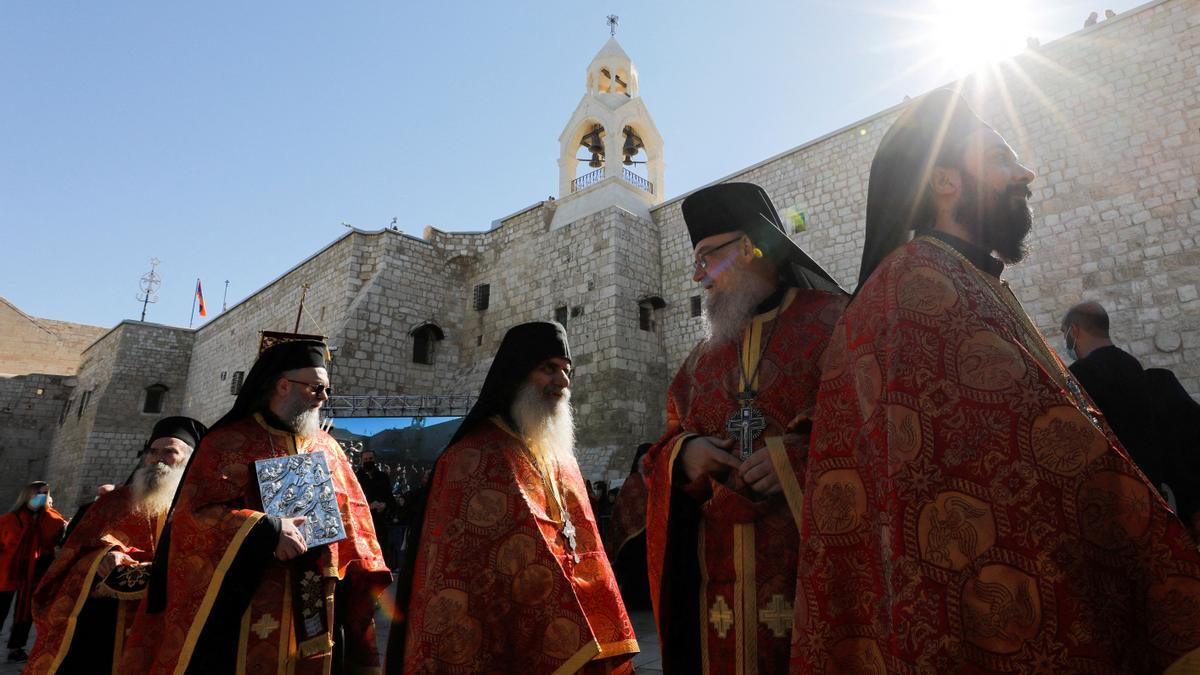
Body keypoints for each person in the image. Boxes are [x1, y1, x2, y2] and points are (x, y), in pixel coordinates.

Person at [793, 88, 1200, 672]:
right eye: (1001, 159)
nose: (1026, 172)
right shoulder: (918, 287)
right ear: (945, 181)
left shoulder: (958, 275)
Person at [643, 182, 846, 672]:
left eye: (707, 258)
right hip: (716, 591)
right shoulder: (699, 362)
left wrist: (801, 456)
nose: (700, 279)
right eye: (694, 265)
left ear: (752, 246)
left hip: (814, 576)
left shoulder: (837, 324)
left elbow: (874, 424)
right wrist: (684, 453)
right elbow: (662, 448)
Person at [122, 339, 391, 674]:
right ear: (283, 385)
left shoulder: (328, 447)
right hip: (249, 599)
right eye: (317, 387)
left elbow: (353, 512)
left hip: (321, 597)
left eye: (327, 388)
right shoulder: (227, 442)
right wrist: (266, 530)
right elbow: (194, 516)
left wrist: (362, 566)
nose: (324, 397)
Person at [389, 322, 638, 673]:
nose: (563, 381)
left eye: (566, 370)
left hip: (580, 633)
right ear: (518, 373)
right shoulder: (470, 458)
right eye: (548, 369)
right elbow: (453, 573)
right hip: (497, 638)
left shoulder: (561, 458)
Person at [25, 416, 206, 674]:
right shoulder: (114, 502)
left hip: (172, 616)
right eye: (153, 451)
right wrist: (104, 557)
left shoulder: (203, 505)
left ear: (190, 458)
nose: (158, 458)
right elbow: (73, 555)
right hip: (109, 625)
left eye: (170, 452)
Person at [1061, 301, 1165, 489]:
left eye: (1064, 332)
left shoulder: (1079, 374)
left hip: (1115, 482)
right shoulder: (1130, 363)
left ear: (1074, 330)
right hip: (1150, 474)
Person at [0, 481, 66, 662]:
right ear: (27, 495)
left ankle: (16, 648)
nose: (41, 497)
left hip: (35, 573)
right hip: (7, 573)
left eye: (45, 493)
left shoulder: (54, 520)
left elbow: (60, 544)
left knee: (25, 613)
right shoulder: (8, 520)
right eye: (37, 493)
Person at [604, 443, 652, 612]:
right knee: (636, 571)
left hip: (652, 536)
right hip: (633, 539)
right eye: (644, 460)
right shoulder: (632, 481)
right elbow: (624, 508)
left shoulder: (657, 480)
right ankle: (635, 601)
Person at [355, 450, 398, 567]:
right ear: (361, 461)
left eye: (370, 459)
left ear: (374, 459)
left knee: (382, 548)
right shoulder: (356, 478)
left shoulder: (383, 477)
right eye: (366, 460)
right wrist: (368, 506)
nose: (368, 461)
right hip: (363, 523)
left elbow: (390, 497)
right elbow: (353, 500)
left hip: (381, 522)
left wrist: (385, 504)